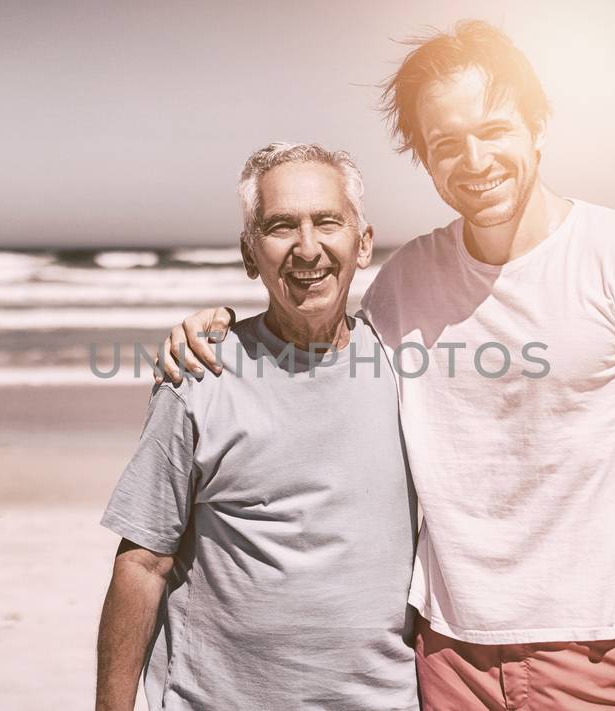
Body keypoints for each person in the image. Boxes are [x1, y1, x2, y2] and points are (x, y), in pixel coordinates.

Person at [155, 21, 615, 711]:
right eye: (446, 145)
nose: (476, 160)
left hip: (594, 644)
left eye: (495, 131)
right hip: (441, 652)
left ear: (536, 126)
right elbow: (316, 346)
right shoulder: (405, 282)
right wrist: (221, 330)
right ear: (425, 160)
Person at [94, 142, 418, 711]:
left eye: (328, 222)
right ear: (250, 254)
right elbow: (143, 561)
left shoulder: (409, 367)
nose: (308, 248)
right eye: (280, 227)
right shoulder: (199, 374)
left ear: (363, 243)